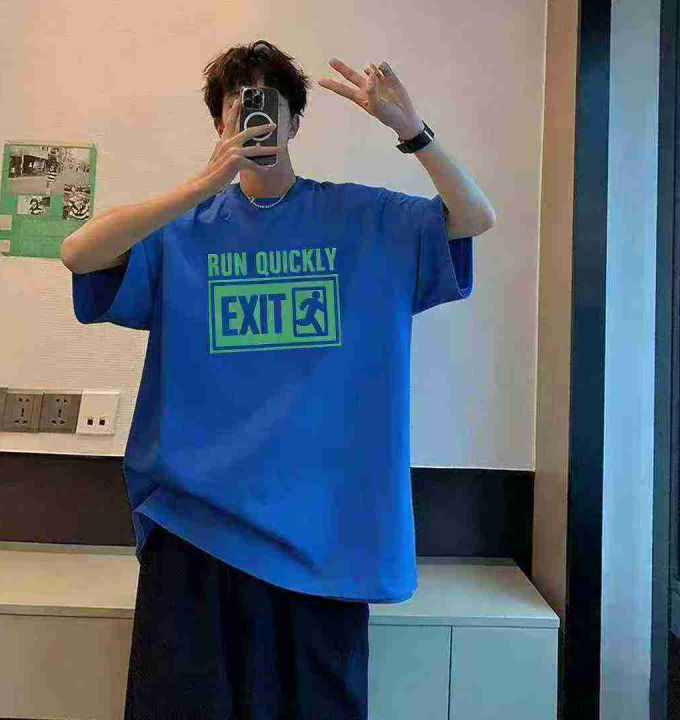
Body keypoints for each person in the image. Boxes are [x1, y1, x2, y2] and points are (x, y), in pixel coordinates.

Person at [62, 39, 495, 720]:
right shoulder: (183, 231)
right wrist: (203, 184)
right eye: (240, 104)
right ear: (220, 122)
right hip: (197, 528)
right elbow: (78, 252)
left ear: (294, 121)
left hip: (326, 537)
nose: (256, 115)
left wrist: (412, 130)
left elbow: (474, 218)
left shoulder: (364, 221)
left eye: (270, 102)